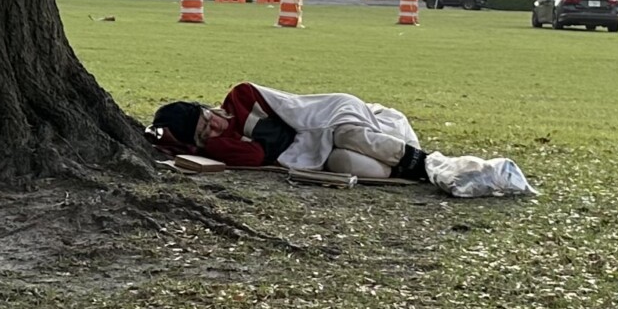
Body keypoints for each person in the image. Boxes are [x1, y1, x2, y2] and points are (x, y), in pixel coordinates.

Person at [153, 83, 434, 181]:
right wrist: (208, 147)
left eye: (206, 120)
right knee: (353, 166)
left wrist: (268, 144)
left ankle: (424, 162)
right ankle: (403, 166)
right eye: (205, 135)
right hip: (316, 154)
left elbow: (282, 132)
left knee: (345, 135)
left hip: (327, 117)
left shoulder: (242, 97)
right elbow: (258, 155)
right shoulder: (223, 144)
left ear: (205, 108)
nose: (214, 127)